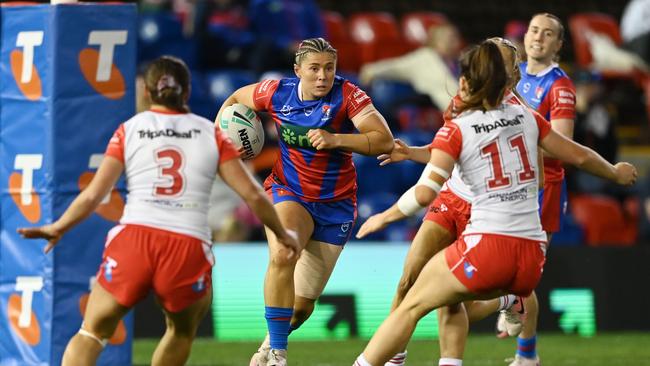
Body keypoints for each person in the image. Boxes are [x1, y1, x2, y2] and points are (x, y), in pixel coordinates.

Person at [352, 40, 637, 366]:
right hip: (500, 230)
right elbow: (575, 155)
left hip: (484, 226)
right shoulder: (525, 118)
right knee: (416, 281)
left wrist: (384, 218)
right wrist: (614, 172)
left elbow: (424, 190)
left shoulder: (467, 123)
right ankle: (503, 309)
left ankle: (384, 359)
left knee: (425, 301)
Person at [17, 56, 299, 366]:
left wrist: (58, 226)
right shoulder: (211, 134)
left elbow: (94, 194)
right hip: (186, 245)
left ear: (148, 92)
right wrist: (282, 232)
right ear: (188, 92)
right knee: (180, 332)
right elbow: (254, 196)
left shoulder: (130, 129)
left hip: (135, 239)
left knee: (93, 331)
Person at [215, 37, 394, 366]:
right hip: (288, 190)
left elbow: (383, 140)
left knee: (302, 307)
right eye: (314, 69)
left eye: (329, 68)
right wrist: (221, 137)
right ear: (298, 71)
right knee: (285, 252)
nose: (323, 76)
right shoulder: (275, 92)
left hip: (335, 204)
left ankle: (269, 345)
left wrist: (336, 139)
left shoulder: (349, 96)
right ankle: (280, 356)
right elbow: (235, 99)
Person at [358, 37, 535, 366]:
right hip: (450, 197)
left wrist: (387, 216)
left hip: (482, 211)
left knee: (453, 302)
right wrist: (412, 152)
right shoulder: (461, 101)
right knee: (407, 279)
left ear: (513, 75)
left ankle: (507, 302)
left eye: (500, 62)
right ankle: (394, 357)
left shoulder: (521, 117)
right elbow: (449, 151)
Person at [497, 13, 577, 365]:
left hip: (543, 189)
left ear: (558, 45)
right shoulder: (513, 77)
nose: (538, 38)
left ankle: (526, 354)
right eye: (533, 30)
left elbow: (563, 145)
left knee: (523, 274)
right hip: (509, 183)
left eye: (548, 34)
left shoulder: (559, 87)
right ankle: (512, 310)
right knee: (507, 269)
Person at [359, 23, 462, 111]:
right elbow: (395, 66)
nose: (454, 42)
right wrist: (371, 71)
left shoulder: (457, 61)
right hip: (454, 108)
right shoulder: (423, 58)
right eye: (450, 38)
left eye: (455, 38)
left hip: (463, 105)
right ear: (436, 41)